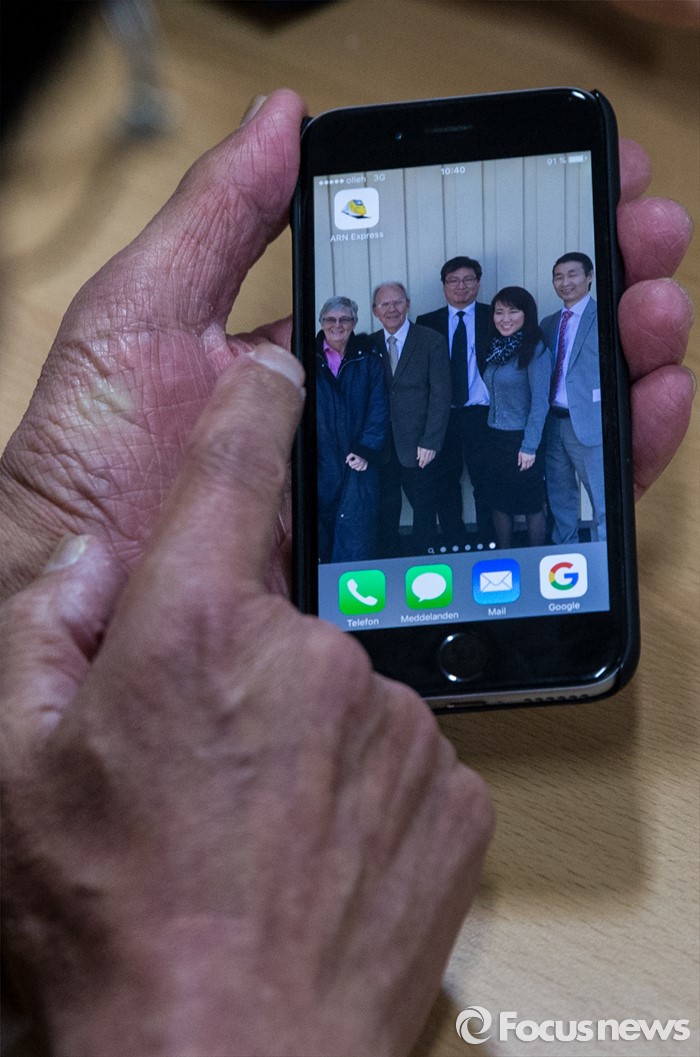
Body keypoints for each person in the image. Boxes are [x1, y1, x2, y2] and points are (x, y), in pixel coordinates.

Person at [0, 89, 695, 1057]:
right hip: (384, 461)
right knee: (400, 534)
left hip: (461, 439)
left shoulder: (505, 333)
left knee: (525, 511)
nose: (376, 312)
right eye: (367, 306)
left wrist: (35, 544)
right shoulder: (368, 344)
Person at [370, 282, 451, 556]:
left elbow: (441, 396)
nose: (392, 309)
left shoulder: (431, 341)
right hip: (381, 445)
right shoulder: (368, 344)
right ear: (375, 311)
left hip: (419, 444)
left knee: (424, 507)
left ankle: (424, 562)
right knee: (385, 508)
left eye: (397, 302)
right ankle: (389, 562)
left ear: (408, 304)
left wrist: (431, 441)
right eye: (385, 304)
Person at [417, 256, 493, 546]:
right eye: (453, 280)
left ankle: (488, 540)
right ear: (444, 286)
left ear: (478, 283)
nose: (461, 286)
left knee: (484, 481)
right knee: (445, 482)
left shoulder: (493, 316)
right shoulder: (427, 322)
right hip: (442, 417)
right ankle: (454, 540)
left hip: (481, 415)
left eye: (468, 279)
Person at [315, 296, 388, 562]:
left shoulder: (368, 358)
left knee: (356, 532)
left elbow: (379, 408)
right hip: (320, 458)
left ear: (354, 322)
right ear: (321, 322)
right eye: (330, 319)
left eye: (344, 319)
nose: (337, 325)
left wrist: (366, 449)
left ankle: (352, 587)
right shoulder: (307, 357)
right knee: (320, 529)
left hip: (358, 458)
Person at [540, 252, 605, 543]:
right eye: (558, 277)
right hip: (553, 421)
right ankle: (564, 552)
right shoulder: (549, 323)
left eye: (572, 275)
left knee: (601, 496)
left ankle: (605, 551)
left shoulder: (604, 318)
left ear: (589, 277)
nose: (565, 282)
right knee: (560, 496)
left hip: (589, 422)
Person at [482, 287, 552, 549]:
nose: (505, 319)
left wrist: (529, 446)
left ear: (527, 314)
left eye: (513, 311)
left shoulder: (536, 349)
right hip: (495, 437)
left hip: (523, 439)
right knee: (500, 501)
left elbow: (540, 402)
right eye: (499, 312)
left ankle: (536, 559)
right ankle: (504, 556)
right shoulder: (496, 348)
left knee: (531, 503)